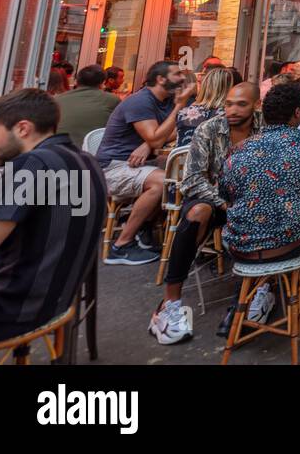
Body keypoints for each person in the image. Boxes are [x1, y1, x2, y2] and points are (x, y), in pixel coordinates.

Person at [0, 89, 107, 347]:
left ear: (22, 128)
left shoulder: (33, 164)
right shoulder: (86, 161)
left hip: (7, 308)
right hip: (56, 301)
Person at [150, 82, 261, 344]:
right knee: (196, 213)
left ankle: (251, 296)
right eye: (229, 104)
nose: (232, 110)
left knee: (265, 216)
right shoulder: (209, 129)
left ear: (256, 105)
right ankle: (170, 303)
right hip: (213, 199)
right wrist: (224, 204)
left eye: (241, 104)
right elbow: (192, 181)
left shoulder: (266, 128)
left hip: (251, 201)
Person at [220, 82, 300, 333]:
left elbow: (227, 199)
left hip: (240, 245)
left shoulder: (238, 150)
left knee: (251, 230)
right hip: (289, 242)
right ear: (297, 113)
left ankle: (234, 313)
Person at [97, 60, 194, 265]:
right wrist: (178, 106)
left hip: (138, 165)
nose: (183, 78)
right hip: (113, 167)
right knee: (162, 182)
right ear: (161, 79)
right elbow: (160, 136)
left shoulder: (165, 100)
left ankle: (142, 227)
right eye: (177, 74)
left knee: (178, 177)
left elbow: (177, 130)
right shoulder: (140, 101)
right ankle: (121, 245)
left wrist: (148, 145)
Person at [54, 64, 121, 147]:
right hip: (91, 152)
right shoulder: (111, 99)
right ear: (103, 83)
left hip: (57, 149)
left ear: (77, 80)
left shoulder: (58, 99)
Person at [175, 67, 231, 148]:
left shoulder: (184, 113)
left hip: (182, 159)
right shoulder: (228, 115)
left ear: (205, 86)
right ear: (229, 88)